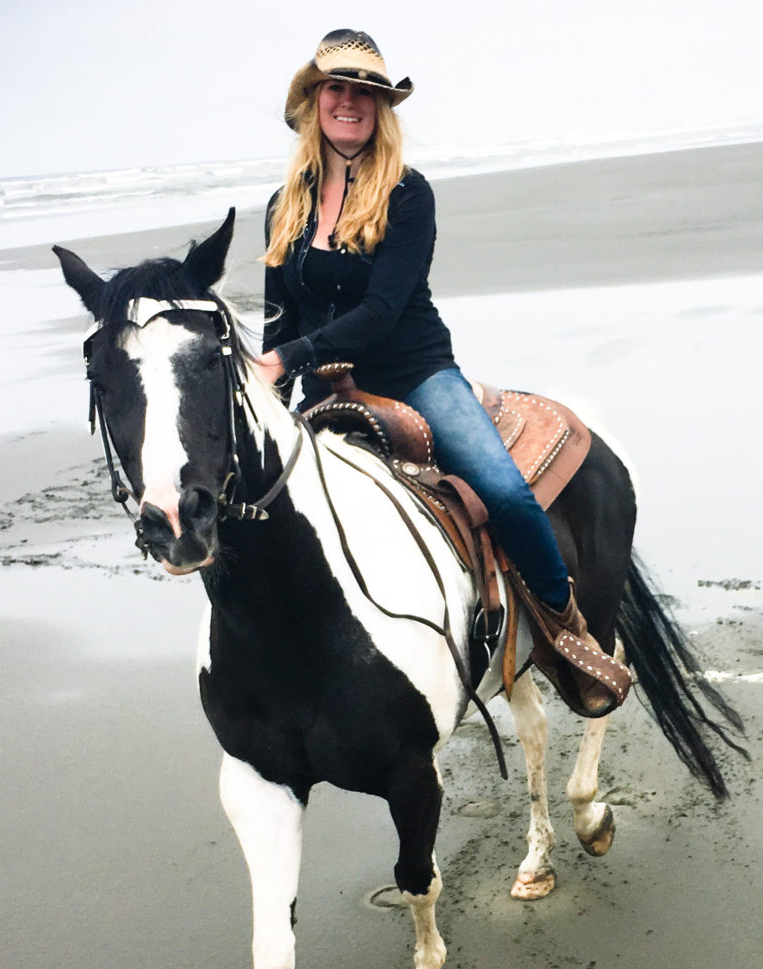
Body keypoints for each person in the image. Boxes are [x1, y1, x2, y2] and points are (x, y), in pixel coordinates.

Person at [256, 29, 630, 716]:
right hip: (322, 391)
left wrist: (288, 357)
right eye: (338, 88)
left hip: (415, 375)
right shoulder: (284, 209)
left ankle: (565, 629)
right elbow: (279, 323)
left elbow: (379, 311)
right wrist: (267, 397)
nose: (351, 103)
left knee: (504, 491)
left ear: (380, 109)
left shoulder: (407, 194)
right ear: (315, 101)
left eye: (365, 93)